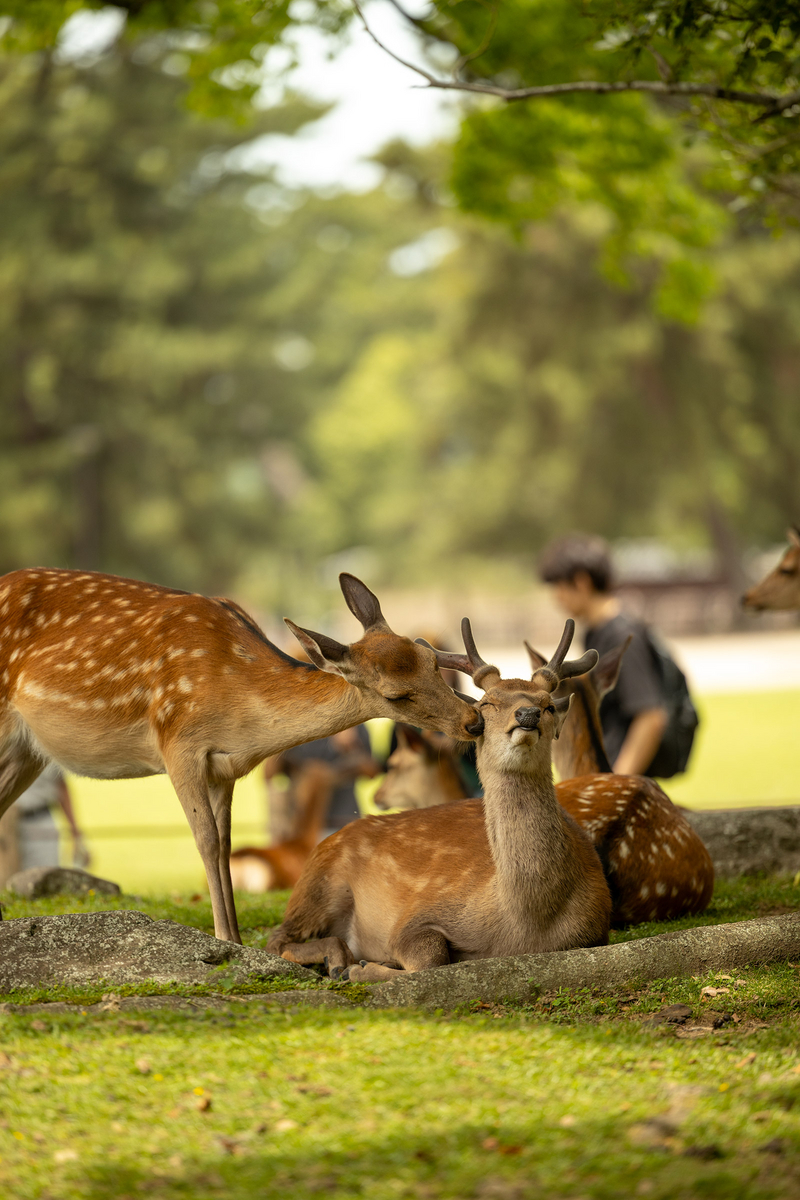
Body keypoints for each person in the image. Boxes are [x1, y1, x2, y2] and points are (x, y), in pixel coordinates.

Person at [539, 533, 668, 776]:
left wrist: (615, 787)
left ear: (581, 582)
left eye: (559, 586)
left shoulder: (621, 635)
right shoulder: (596, 633)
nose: (556, 597)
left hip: (619, 783)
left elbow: (650, 717)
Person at [13, 763, 90, 870]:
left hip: (42, 818)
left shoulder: (49, 750)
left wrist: (75, 833)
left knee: (46, 871)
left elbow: (62, 788)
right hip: (8, 823)